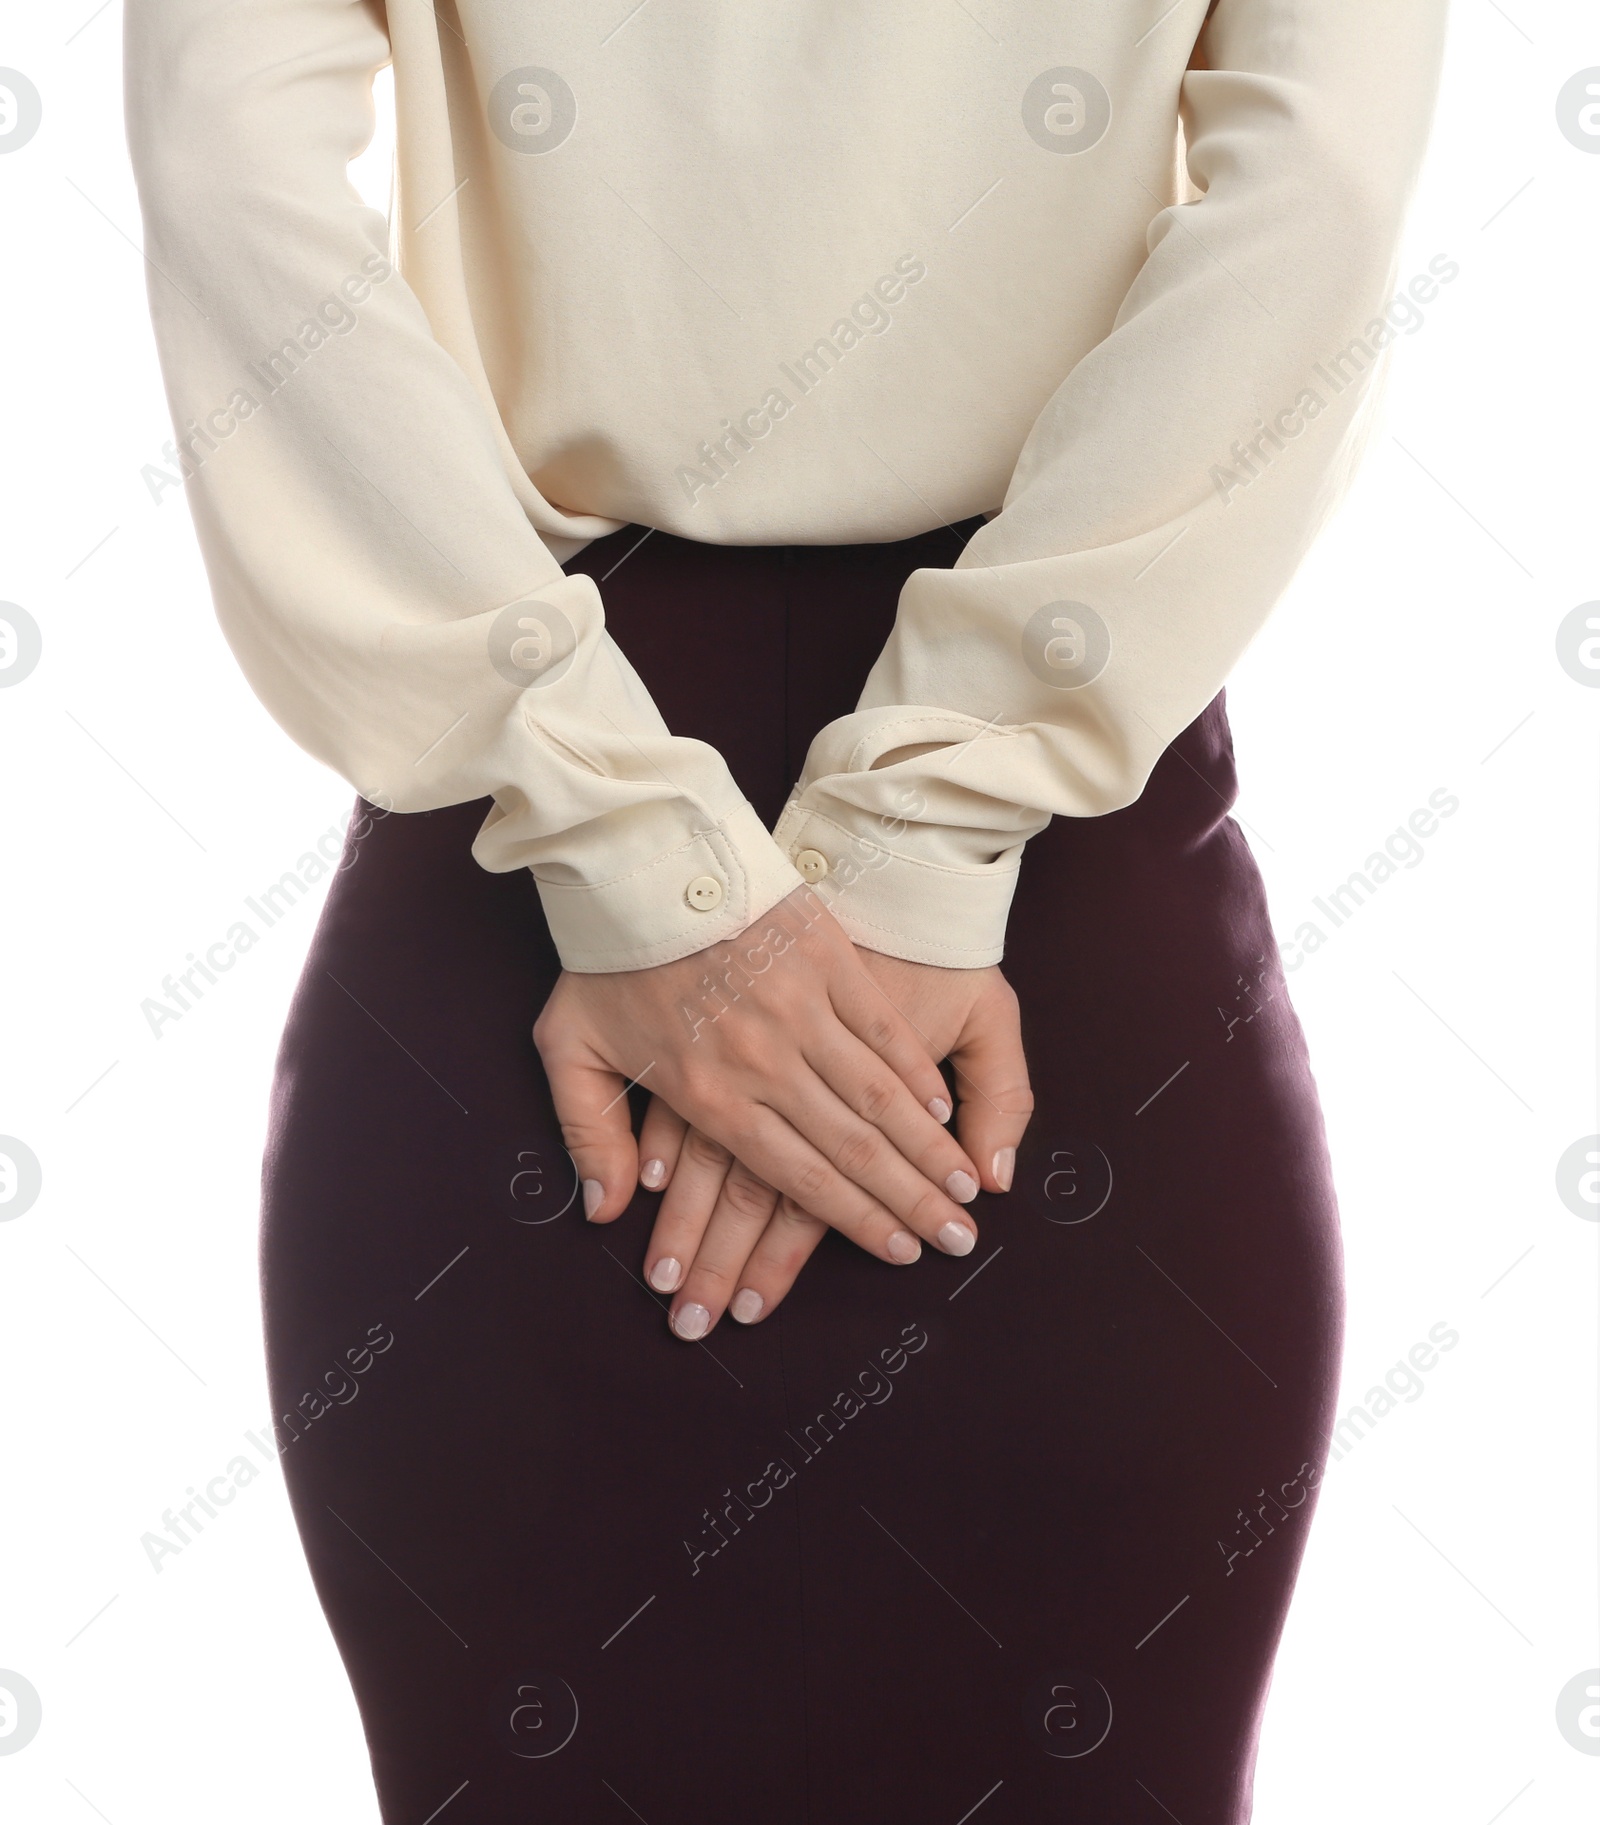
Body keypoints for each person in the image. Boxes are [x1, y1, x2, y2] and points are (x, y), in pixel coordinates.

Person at [125, 2, 1447, 1818]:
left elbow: (229, 170)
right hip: (1052, 925)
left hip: (525, 895)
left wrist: (637, 850)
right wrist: (902, 828)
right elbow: (1318, 189)